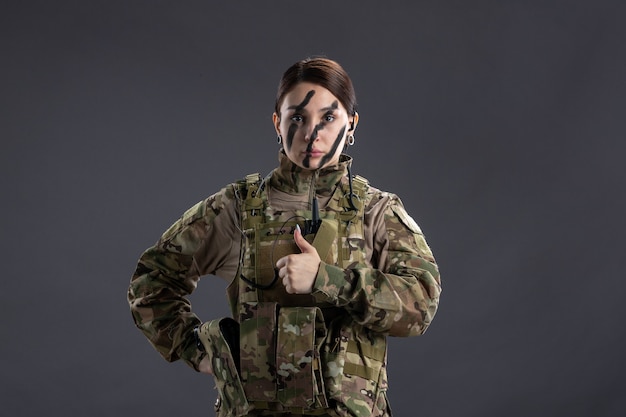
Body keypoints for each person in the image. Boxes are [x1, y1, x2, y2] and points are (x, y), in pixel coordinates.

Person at [128, 57, 442, 417]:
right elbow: (151, 281)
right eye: (298, 117)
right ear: (277, 123)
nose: (312, 133)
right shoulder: (237, 209)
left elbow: (422, 304)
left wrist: (327, 279)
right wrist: (197, 350)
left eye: (328, 117)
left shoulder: (376, 212)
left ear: (351, 123)